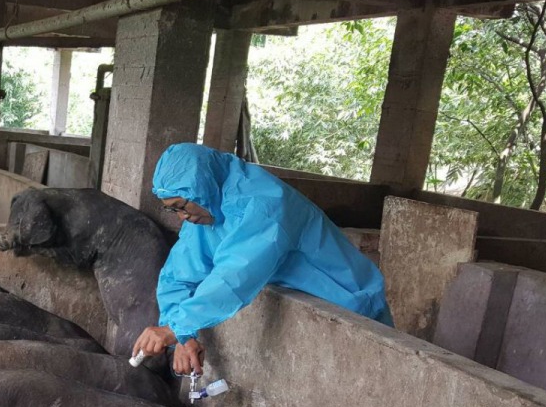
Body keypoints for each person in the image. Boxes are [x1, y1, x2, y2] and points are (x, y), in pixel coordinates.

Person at [132, 143, 393, 376]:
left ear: (201, 188)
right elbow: (178, 274)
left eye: (181, 205)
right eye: (172, 209)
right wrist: (182, 335)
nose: (181, 217)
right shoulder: (205, 210)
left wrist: (175, 328)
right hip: (312, 314)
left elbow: (235, 275)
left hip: (353, 304)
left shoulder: (264, 204)